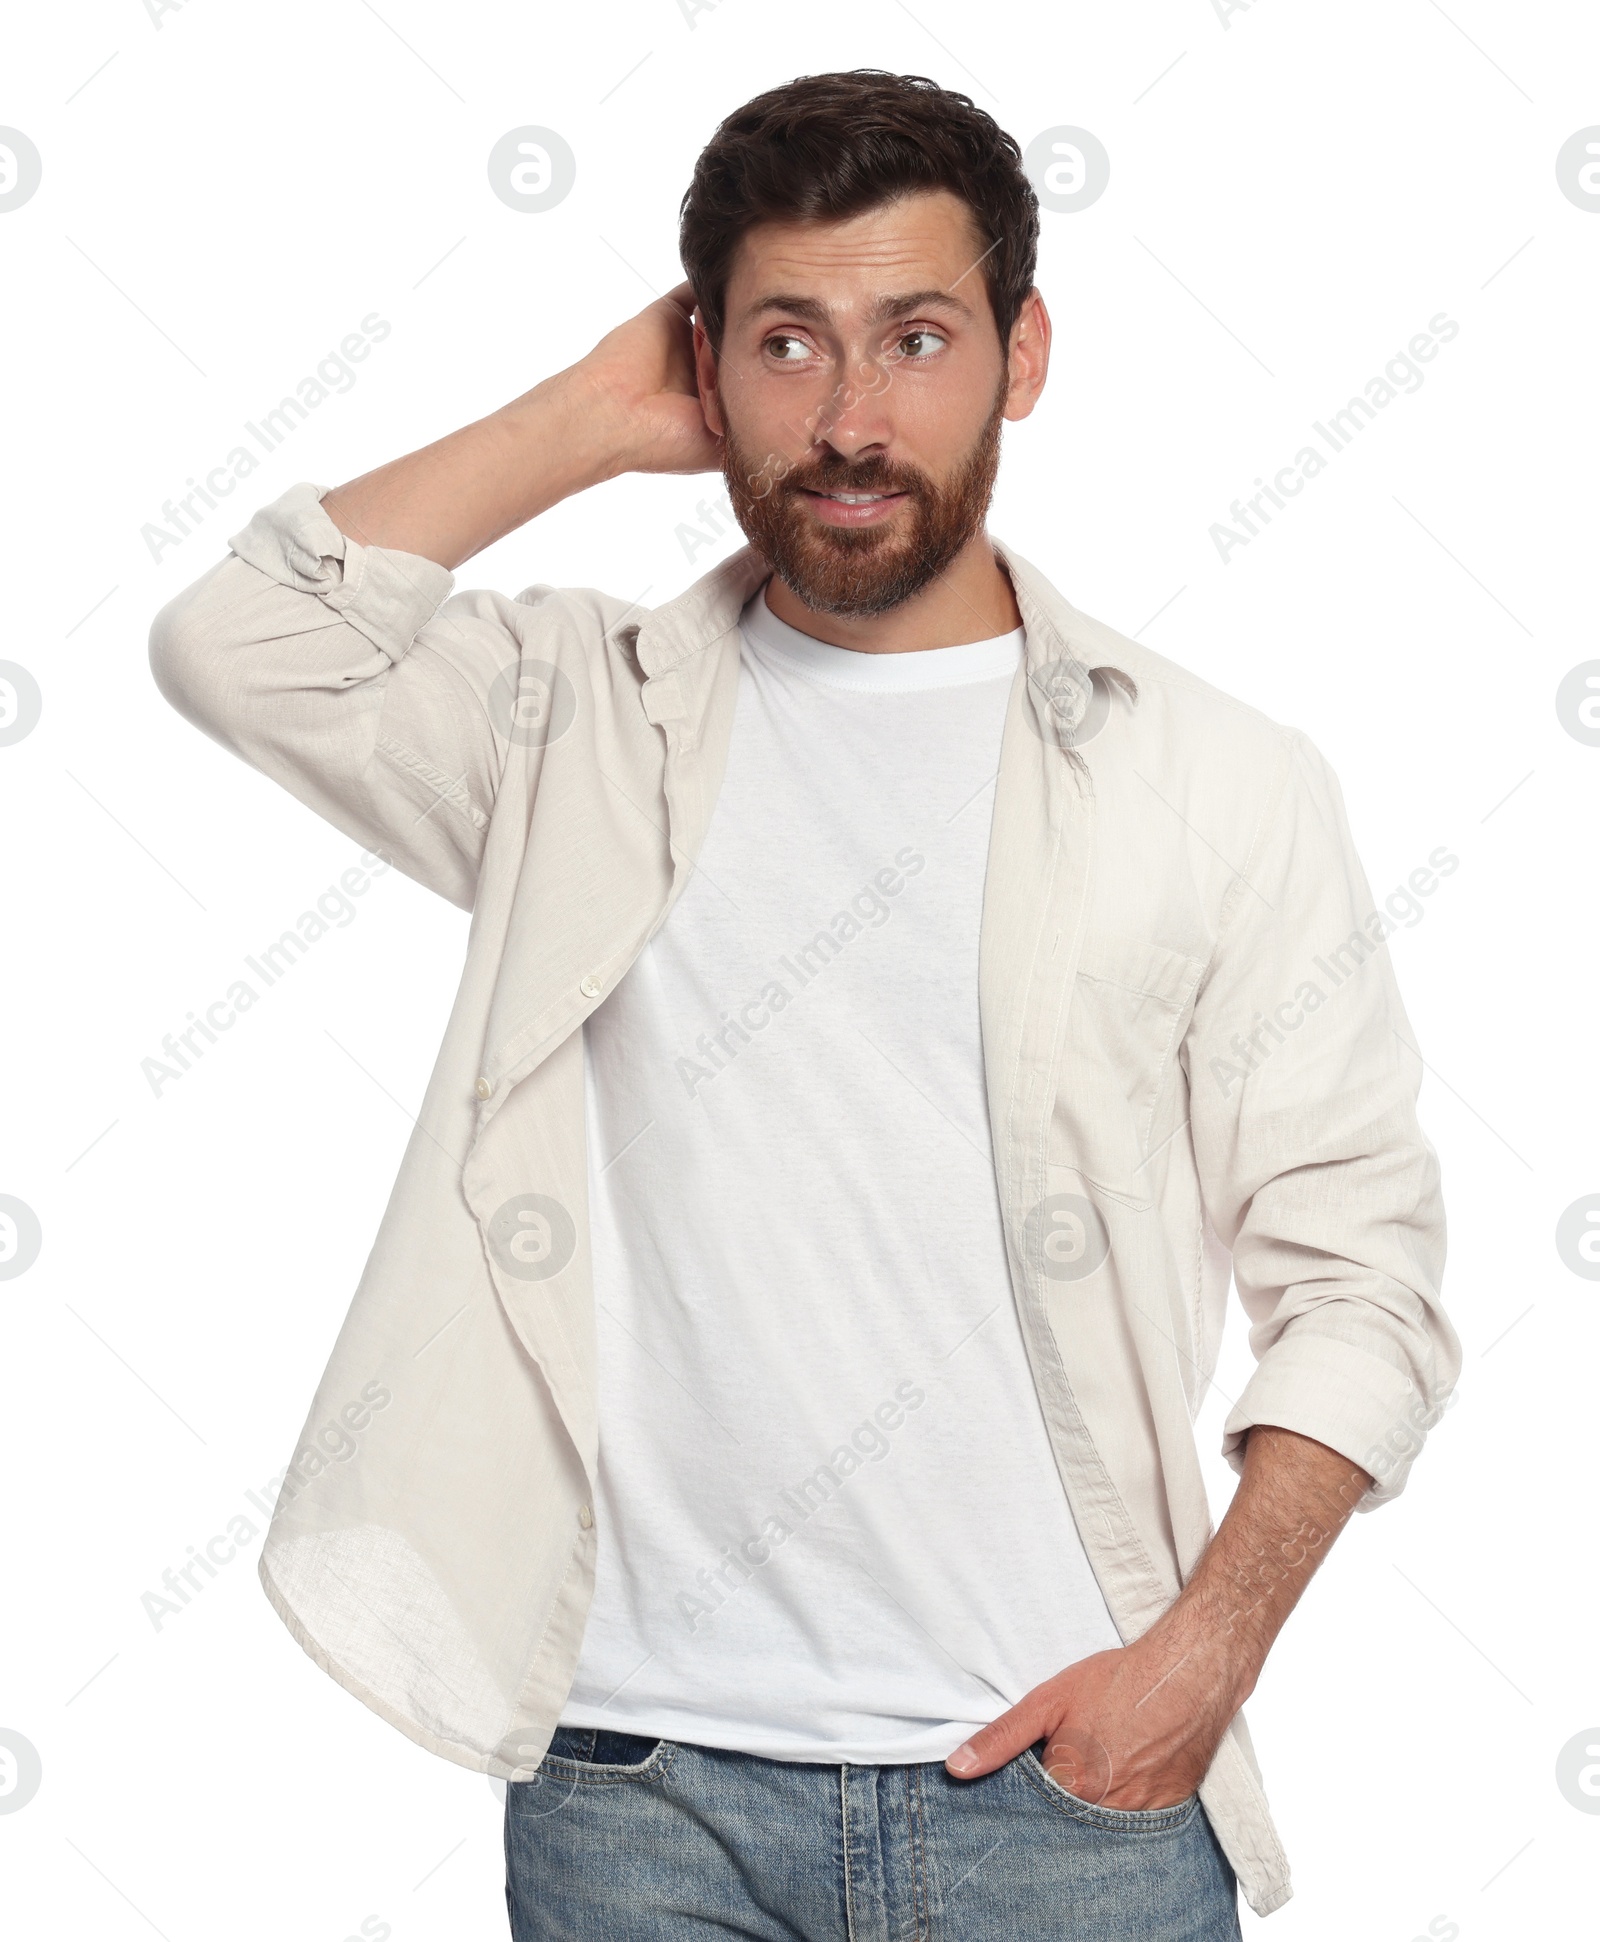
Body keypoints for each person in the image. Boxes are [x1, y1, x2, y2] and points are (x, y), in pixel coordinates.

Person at [149, 67, 1458, 1941]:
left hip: (1066, 1799)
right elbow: (237, 642)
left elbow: (1362, 1281)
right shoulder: (569, 726)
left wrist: (1199, 1664)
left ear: (1022, 357)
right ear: (709, 365)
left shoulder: (1221, 784)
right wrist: (594, 418)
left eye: (918, 338)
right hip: (637, 1800)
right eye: (788, 344)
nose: (851, 421)